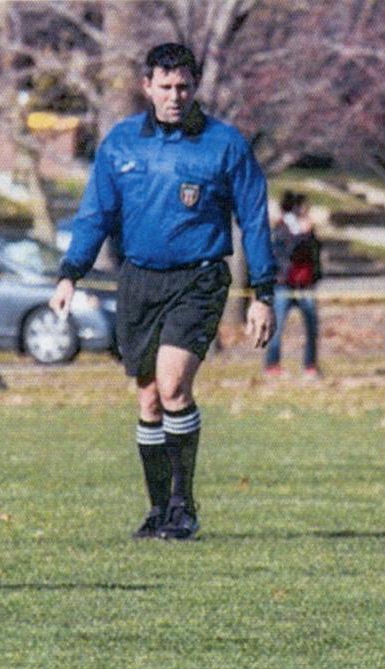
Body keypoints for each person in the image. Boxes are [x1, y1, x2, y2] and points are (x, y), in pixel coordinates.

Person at [49, 43, 277, 541]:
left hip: (198, 278)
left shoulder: (225, 144)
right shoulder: (121, 143)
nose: (175, 96)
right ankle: (158, 510)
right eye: (166, 86)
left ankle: (183, 505)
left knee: (174, 386)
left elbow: (254, 220)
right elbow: (95, 215)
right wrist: (70, 273)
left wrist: (262, 292)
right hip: (139, 279)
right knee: (149, 399)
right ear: (147, 86)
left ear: (195, 88)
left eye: (184, 87)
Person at [264, 191, 322, 379]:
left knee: (312, 326)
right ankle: (272, 365)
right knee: (277, 326)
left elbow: (315, 252)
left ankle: (310, 365)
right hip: (284, 284)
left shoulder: (307, 229)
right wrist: (304, 235)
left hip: (304, 284)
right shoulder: (282, 228)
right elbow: (290, 250)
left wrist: (310, 234)